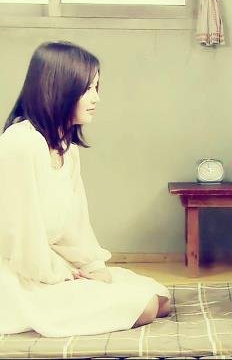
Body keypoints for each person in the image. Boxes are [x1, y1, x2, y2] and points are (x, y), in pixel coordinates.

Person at [0, 41, 171, 337]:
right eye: (87, 89)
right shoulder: (21, 144)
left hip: (52, 264)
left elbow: (75, 226)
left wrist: (93, 267)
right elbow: (18, 236)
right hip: (20, 273)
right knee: (144, 308)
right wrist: (62, 274)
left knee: (160, 299)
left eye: (96, 88)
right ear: (60, 90)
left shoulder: (66, 148)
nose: (96, 98)